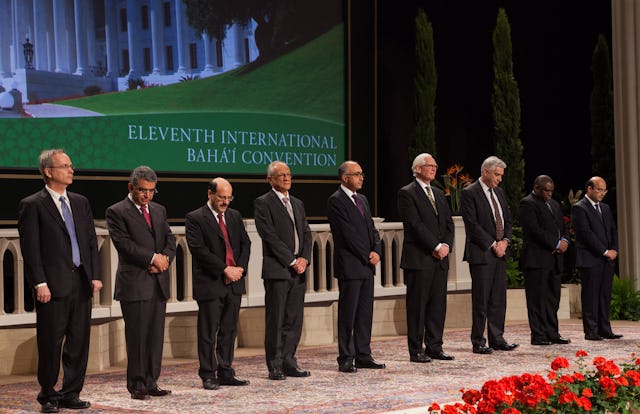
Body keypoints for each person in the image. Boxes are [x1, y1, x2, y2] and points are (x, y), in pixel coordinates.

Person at [18, 149, 102, 413]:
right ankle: (49, 395)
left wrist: (95, 275)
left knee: (79, 342)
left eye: (71, 165)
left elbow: (90, 241)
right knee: (51, 342)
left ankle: (71, 393)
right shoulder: (33, 204)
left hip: (81, 283)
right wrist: (39, 282)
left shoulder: (80, 202)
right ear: (48, 171)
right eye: (65, 166)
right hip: (52, 286)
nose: (71, 170)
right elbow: (30, 250)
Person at [105, 166, 176, 400]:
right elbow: (124, 244)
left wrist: (165, 258)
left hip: (158, 281)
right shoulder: (116, 211)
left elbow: (169, 238)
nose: (147, 195)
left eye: (152, 191)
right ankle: (136, 384)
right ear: (131, 187)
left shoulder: (159, 210)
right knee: (137, 337)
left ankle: (151, 381)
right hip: (135, 283)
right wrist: (152, 258)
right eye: (143, 190)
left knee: (155, 336)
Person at [185, 178, 251, 390]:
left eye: (228, 197)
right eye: (221, 197)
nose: (225, 202)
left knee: (229, 331)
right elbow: (199, 250)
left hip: (234, 283)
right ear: (210, 194)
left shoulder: (234, 216)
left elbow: (245, 243)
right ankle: (208, 374)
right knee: (208, 332)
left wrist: (239, 269)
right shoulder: (195, 218)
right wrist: (225, 269)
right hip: (211, 282)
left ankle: (225, 371)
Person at [254, 161, 312, 380]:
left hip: (299, 270)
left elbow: (306, 233)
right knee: (276, 319)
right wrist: (291, 260)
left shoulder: (297, 202)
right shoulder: (263, 203)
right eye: (281, 176)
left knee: (293, 319)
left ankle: (289, 360)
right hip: (278, 269)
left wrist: (304, 258)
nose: (286, 178)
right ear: (270, 179)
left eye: (288, 175)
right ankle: (275, 365)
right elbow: (269, 235)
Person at [328, 161, 385, 373]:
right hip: (350, 265)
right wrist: (366, 254)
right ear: (345, 178)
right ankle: (345, 357)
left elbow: (371, 228)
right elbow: (347, 234)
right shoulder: (336, 200)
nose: (361, 178)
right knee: (348, 313)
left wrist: (377, 250)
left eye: (362, 174)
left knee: (364, 312)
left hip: (367, 265)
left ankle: (363, 354)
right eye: (357, 174)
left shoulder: (362, 199)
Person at [397, 153, 455, 363]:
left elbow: (448, 223)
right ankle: (416, 350)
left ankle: (435, 346)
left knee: (438, 305)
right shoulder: (407, 193)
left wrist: (446, 245)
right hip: (420, 258)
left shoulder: (439, 193)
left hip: (440, 260)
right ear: (418, 168)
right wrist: (435, 245)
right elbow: (414, 224)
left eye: (435, 165)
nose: (433, 168)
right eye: (429, 165)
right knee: (417, 306)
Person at [459, 155, 519, 354]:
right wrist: (493, 244)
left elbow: (508, 221)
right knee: (482, 299)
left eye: (501, 176)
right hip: (482, 253)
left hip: (500, 253)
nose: (499, 179)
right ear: (485, 172)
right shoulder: (470, 193)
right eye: (496, 175)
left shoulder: (499, 193)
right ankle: (478, 341)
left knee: (498, 299)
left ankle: (497, 338)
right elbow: (472, 225)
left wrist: (505, 241)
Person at [518, 175, 571, 345]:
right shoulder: (527, 203)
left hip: (554, 260)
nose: (549, 194)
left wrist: (565, 241)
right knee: (537, 300)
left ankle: (552, 333)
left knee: (552, 299)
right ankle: (538, 335)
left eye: (551, 191)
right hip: (537, 260)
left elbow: (563, 227)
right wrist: (555, 243)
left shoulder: (554, 204)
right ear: (536, 187)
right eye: (546, 190)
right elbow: (534, 230)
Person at [571, 176, 622, 341]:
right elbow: (586, 234)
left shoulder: (605, 208)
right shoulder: (580, 208)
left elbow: (613, 230)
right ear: (589, 189)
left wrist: (614, 249)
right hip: (590, 258)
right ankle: (591, 331)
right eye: (599, 189)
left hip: (607, 259)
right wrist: (604, 251)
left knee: (604, 295)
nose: (602, 193)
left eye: (604, 190)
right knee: (591, 296)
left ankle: (605, 329)